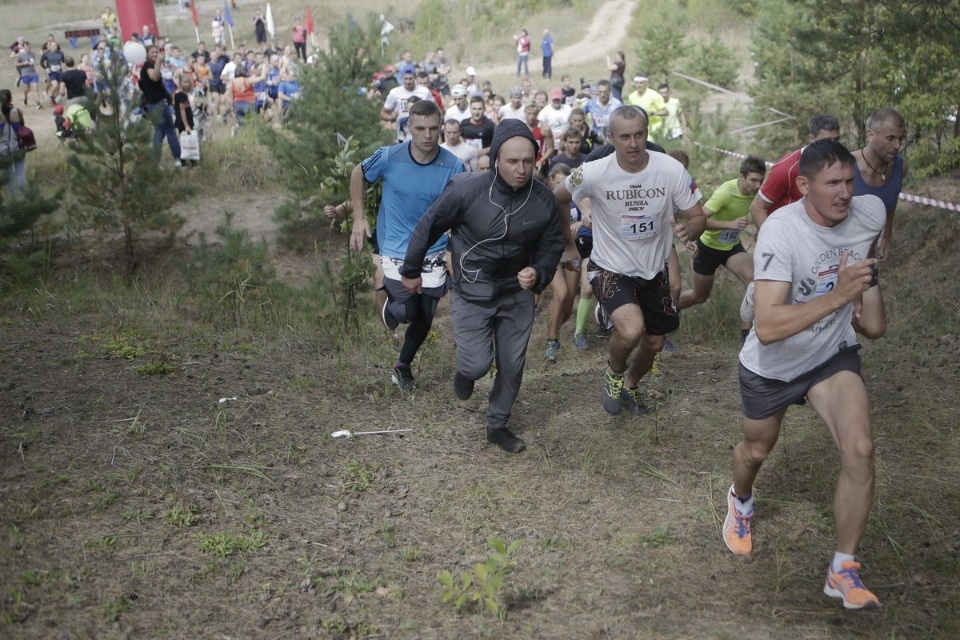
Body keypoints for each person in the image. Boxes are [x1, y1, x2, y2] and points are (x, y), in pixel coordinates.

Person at [723, 139, 886, 610]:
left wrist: (864, 284)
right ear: (803, 185)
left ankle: (843, 568)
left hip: (830, 355)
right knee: (756, 451)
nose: (845, 193)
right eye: (833, 183)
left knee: (860, 447)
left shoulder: (868, 214)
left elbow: (873, 326)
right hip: (772, 365)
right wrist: (840, 294)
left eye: (850, 181)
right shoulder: (781, 231)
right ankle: (742, 501)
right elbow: (768, 326)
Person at [400, 118, 571, 452]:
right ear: (496, 160)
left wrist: (538, 272)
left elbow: (552, 246)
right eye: (512, 161)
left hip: (516, 292)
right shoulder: (467, 189)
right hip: (472, 289)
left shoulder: (543, 199)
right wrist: (411, 270)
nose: (521, 169)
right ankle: (466, 371)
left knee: (512, 362)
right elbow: (428, 225)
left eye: (527, 161)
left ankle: (497, 425)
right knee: (476, 363)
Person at [554, 106, 706, 415]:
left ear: (647, 133)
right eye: (624, 137)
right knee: (631, 329)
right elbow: (557, 196)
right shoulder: (594, 170)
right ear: (610, 137)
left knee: (654, 343)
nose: (633, 144)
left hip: (654, 269)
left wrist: (688, 229)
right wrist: (568, 245)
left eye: (639, 135)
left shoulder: (671, 169)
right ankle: (614, 373)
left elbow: (697, 215)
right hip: (610, 267)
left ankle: (631, 385)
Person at [350, 99, 465, 391]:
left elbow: (463, 208)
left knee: (425, 315)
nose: (427, 135)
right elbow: (358, 174)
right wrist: (358, 219)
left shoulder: (453, 165)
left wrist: (455, 248)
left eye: (433, 129)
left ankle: (402, 367)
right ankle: (390, 306)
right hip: (395, 248)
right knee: (408, 312)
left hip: (434, 249)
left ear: (441, 127)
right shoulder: (390, 157)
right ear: (408, 129)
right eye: (420, 128)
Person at [678, 156, 766, 342]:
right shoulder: (726, 192)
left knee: (754, 281)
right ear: (742, 178)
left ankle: (746, 338)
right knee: (699, 296)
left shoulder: (758, 194)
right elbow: (700, 221)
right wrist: (729, 224)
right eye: (753, 180)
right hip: (708, 248)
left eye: (761, 180)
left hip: (731, 248)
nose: (758, 186)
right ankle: (669, 307)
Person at [749, 114, 841, 229]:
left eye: (836, 140)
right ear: (811, 139)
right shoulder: (787, 168)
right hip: (786, 233)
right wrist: (771, 240)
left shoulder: (839, 163)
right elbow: (757, 207)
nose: (833, 147)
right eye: (826, 141)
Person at [852, 108, 907, 262]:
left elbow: (891, 198)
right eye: (890, 138)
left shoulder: (900, 167)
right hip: (834, 260)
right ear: (871, 135)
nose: (897, 145)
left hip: (867, 258)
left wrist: (887, 235)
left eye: (900, 139)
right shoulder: (845, 166)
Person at [140, 45, 181, 164]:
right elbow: (154, 76)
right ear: (146, 54)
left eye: (156, 52)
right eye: (152, 52)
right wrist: (158, 61)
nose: (154, 54)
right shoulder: (148, 66)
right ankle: (178, 159)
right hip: (157, 104)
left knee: (159, 132)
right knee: (170, 131)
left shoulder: (149, 66)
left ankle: (155, 162)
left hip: (153, 104)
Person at [381, 64, 432, 143]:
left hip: (422, 130)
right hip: (402, 132)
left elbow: (435, 110)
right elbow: (383, 113)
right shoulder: (395, 92)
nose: (408, 82)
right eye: (405, 79)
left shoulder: (424, 91)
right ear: (402, 78)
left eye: (410, 79)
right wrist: (391, 117)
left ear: (415, 77)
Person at [0, 89, 27, 200]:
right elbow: (22, 128)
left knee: (9, 175)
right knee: (20, 170)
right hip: (17, 145)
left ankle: (13, 198)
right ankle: (23, 196)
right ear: (10, 98)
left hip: (3, 149)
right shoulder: (17, 111)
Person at [625, 73, 668, 142]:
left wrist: (652, 113)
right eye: (637, 83)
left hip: (655, 130)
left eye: (641, 83)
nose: (639, 85)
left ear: (646, 83)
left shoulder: (654, 95)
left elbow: (666, 112)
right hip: (639, 130)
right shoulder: (631, 96)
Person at [538, 87, 573, 165]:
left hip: (566, 144)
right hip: (550, 145)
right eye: (554, 99)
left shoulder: (568, 109)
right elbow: (540, 129)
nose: (556, 101)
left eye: (558, 99)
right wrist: (551, 134)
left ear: (562, 98)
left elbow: (573, 124)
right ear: (551, 99)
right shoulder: (544, 112)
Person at [460, 94, 496, 159]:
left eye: (479, 109)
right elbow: (460, 137)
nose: (476, 112)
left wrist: (483, 151)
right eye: (474, 109)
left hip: (484, 161)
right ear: (470, 109)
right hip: (467, 159)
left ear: (484, 109)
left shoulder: (490, 124)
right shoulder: (463, 123)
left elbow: (496, 144)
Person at [15, 42, 42, 110]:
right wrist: (24, 63)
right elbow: (16, 64)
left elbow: (32, 63)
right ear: (23, 47)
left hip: (33, 74)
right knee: (27, 89)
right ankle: (25, 98)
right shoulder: (20, 55)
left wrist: (34, 64)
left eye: (29, 47)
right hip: (25, 74)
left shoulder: (32, 54)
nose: (28, 48)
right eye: (26, 47)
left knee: (36, 89)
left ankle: (38, 103)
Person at [39, 40, 65, 107]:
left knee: (58, 87)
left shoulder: (60, 53)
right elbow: (41, 62)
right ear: (50, 46)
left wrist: (63, 66)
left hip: (59, 72)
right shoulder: (46, 54)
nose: (54, 47)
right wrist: (46, 68)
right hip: (51, 72)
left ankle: (53, 99)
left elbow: (63, 61)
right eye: (53, 46)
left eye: (55, 46)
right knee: (55, 85)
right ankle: (51, 97)